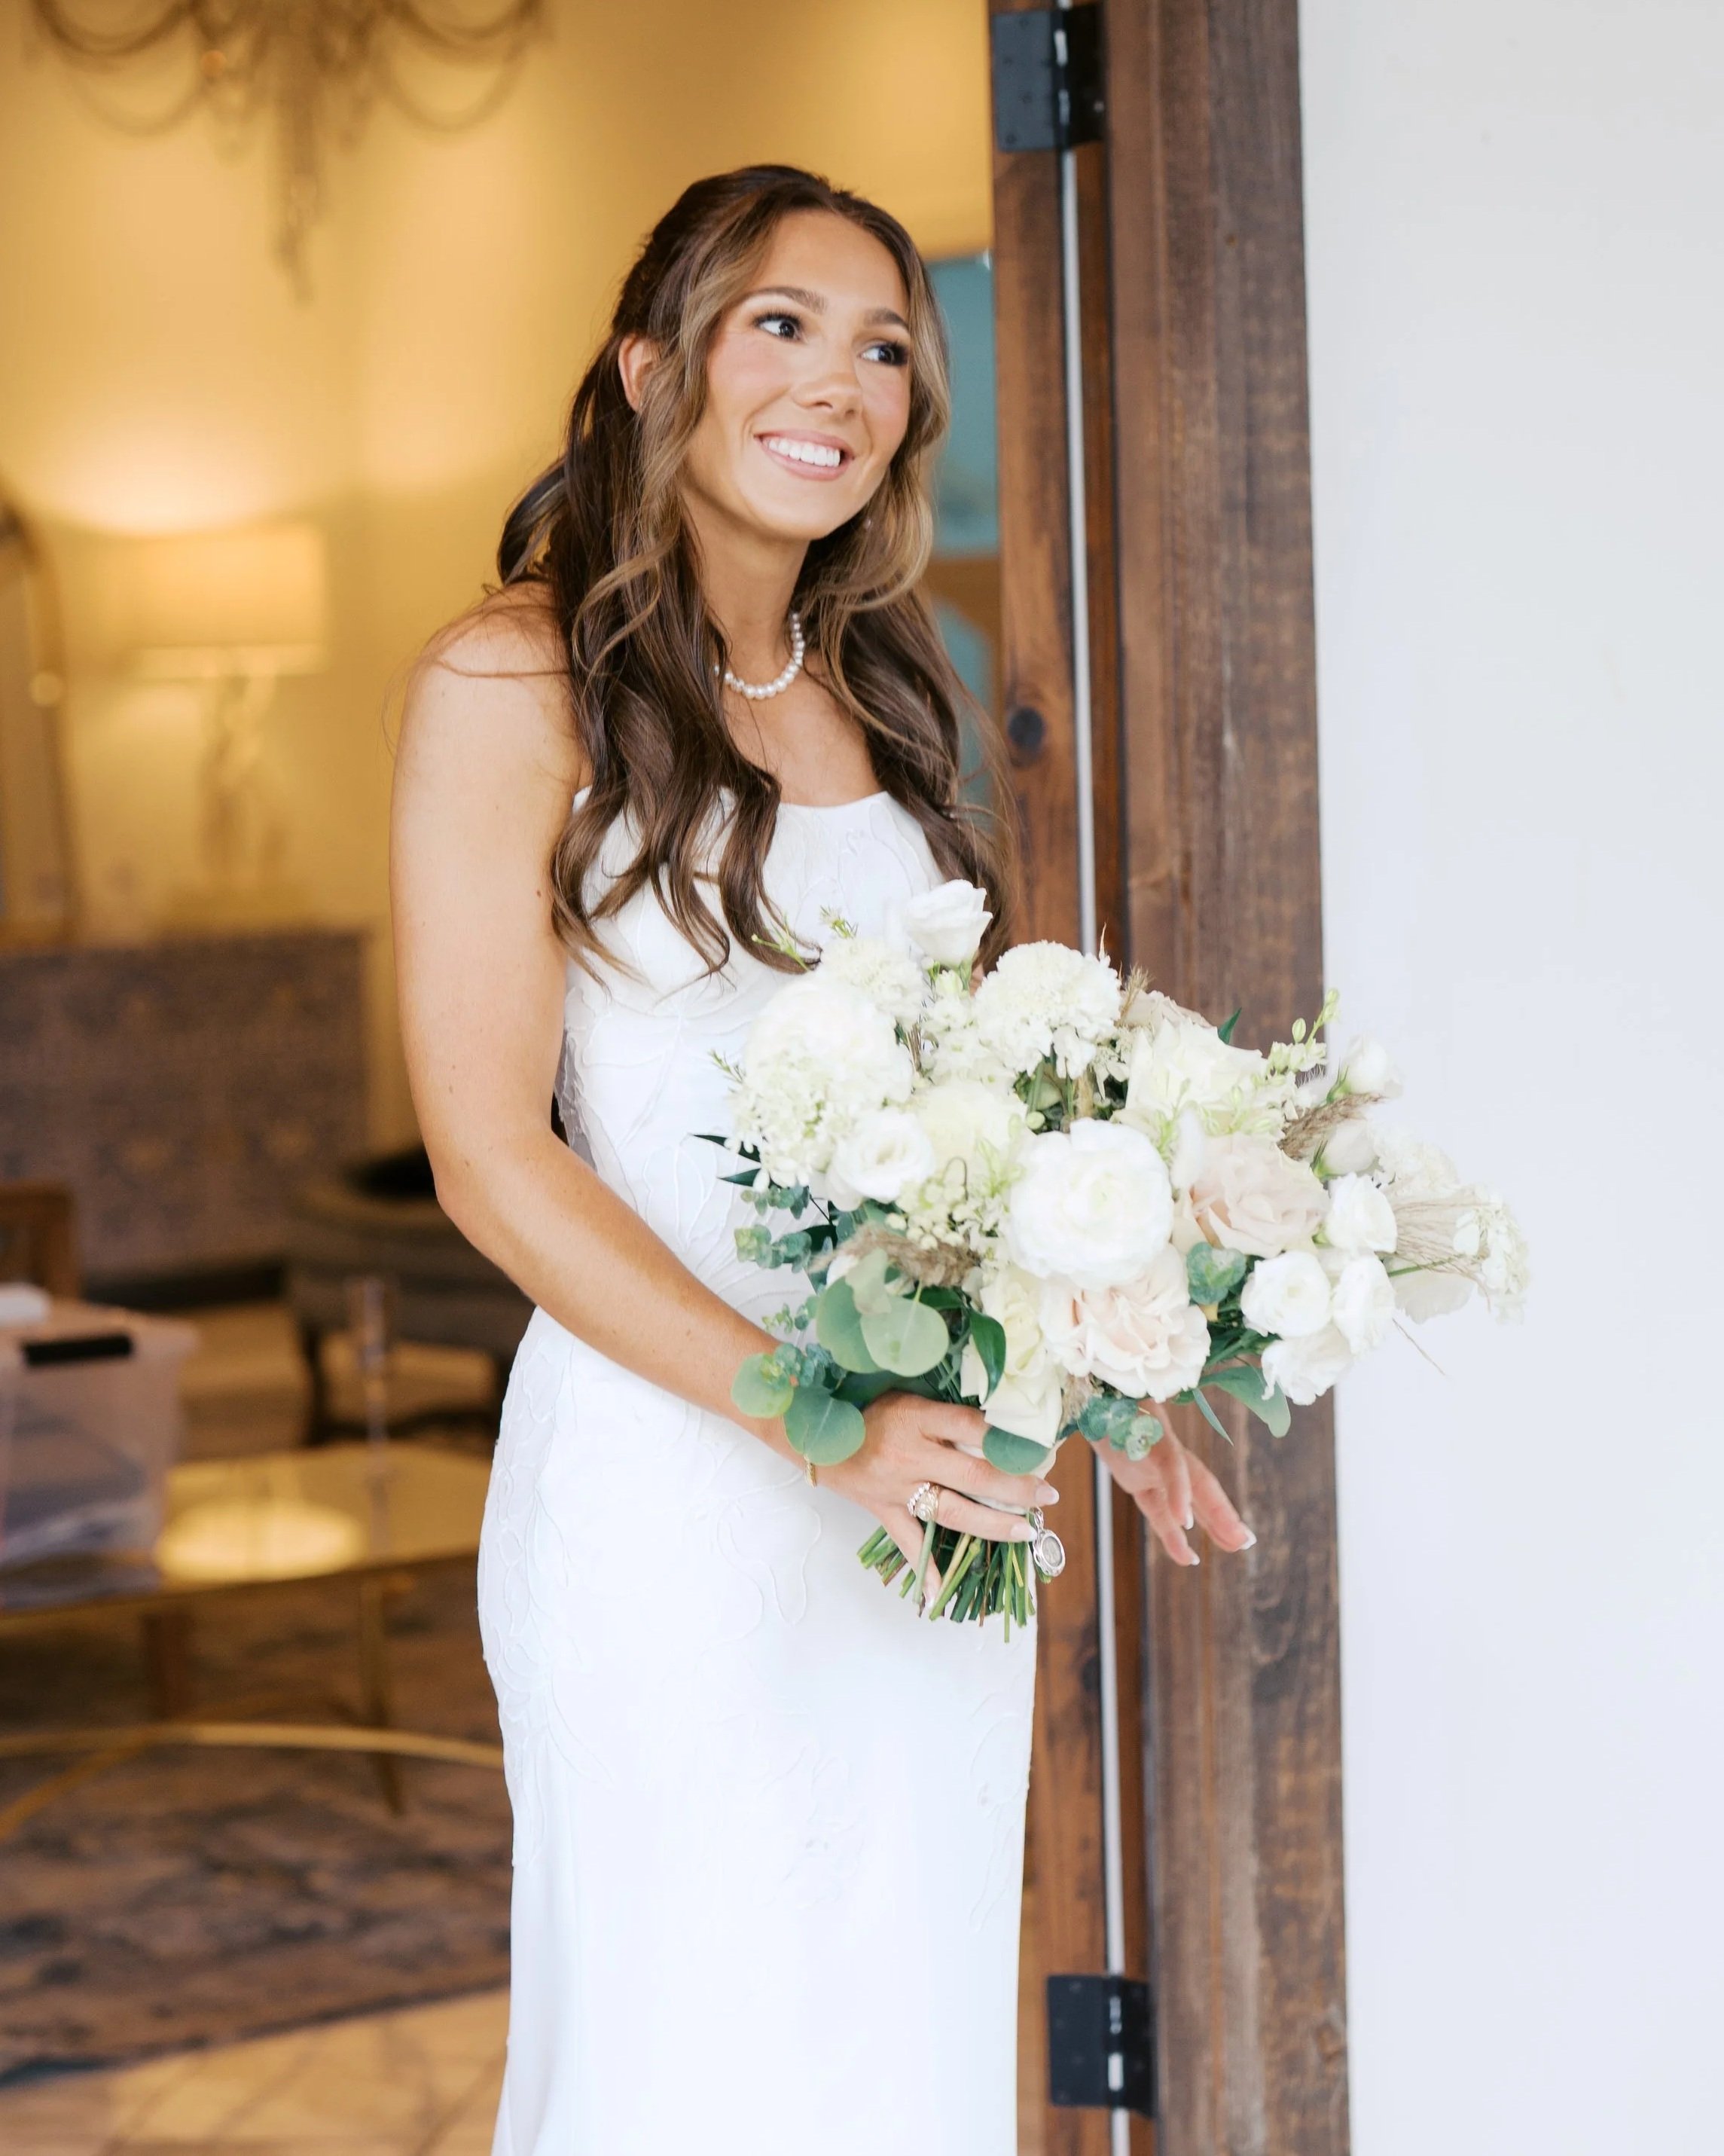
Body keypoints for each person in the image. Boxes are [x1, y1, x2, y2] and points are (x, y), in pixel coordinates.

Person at [392, 163, 1253, 2156]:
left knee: (900, 2031)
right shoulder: (509, 683)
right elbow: (487, 1157)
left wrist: (1104, 1365)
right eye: (779, 322)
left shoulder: (900, 683)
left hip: (932, 1499)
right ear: (648, 365)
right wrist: (813, 1416)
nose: (837, 382)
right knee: (697, 2050)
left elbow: (984, 1122)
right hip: (678, 1497)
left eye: (883, 346)